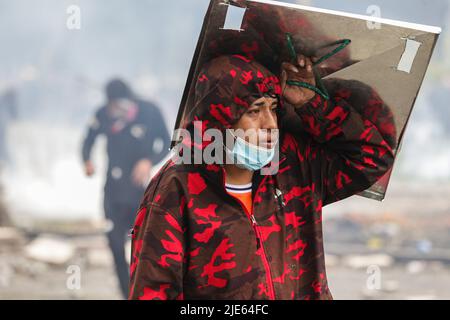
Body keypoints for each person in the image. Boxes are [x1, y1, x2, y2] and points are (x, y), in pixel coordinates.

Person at [128, 54, 395, 300]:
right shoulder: (178, 188)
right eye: (254, 111)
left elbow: (373, 158)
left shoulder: (292, 164)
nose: (270, 124)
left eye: (273, 108)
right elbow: (153, 293)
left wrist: (310, 104)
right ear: (219, 119)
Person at [81, 78, 170, 298]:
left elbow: (168, 141)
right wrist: (87, 161)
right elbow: (88, 140)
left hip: (141, 191)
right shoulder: (103, 114)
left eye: (117, 106)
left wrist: (148, 160)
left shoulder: (149, 112)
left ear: (127, 101)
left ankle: (144, 289)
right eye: (111, 106)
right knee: (114, 242)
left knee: (142, 243)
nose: (114, 111)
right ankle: (125, 292)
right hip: (112, 191)